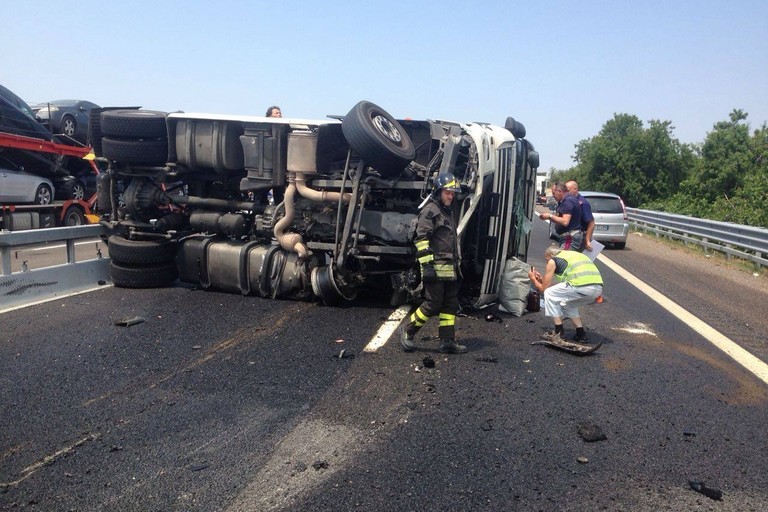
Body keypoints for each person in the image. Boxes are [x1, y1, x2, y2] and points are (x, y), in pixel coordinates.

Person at [399, 172, 466, 354]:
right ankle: (408, 330)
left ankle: (447, 341)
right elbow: (421, 240)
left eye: (453, 193)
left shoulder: (446, 211)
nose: (451, 196)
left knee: (450, 305)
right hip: (435, 268)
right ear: (438, 191)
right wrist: (427, 266)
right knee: (433, 304)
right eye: (447, 192)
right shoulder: (430, 212)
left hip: (450, 268)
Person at [527, 244, 603, 342]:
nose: (547, 263)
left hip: (581, 286)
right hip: (597, 289)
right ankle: (581, 334)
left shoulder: (553, 260)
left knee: (549, 293)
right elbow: (559, 290)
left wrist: (533, 278)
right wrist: (542, 281)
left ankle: (559, 332)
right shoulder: (572, 255)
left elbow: (544, 290)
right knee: (568, 304)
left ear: (550, 256)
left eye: (546, 260)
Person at [539, 183, 583, 251]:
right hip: (569, 236)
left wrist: (549, 216)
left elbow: (565, 222)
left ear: (559, 191)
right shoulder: (568, 200)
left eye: (554, 193)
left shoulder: (567, 201)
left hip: (570, 237)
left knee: (562, 259)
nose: (553, 196)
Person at [565, 179, 596, 252]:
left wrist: (587, 240)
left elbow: (591, 223)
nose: (566, 192)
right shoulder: (570, 201)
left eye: (568, 190)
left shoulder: (583, 204)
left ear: (575, 189)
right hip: (571, 235)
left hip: (581, 237)